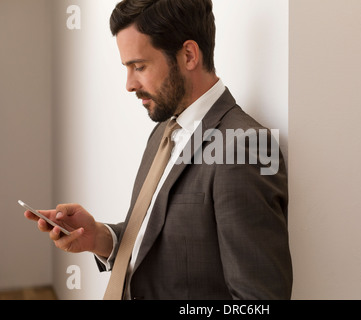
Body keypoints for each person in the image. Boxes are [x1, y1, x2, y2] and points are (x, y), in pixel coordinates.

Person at [24, 0, 292, 300]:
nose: (129, 84)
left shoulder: (243, 147)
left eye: (139, 66)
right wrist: (100, 237)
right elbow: (161, 245)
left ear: (189, 55)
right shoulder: (164, 133)